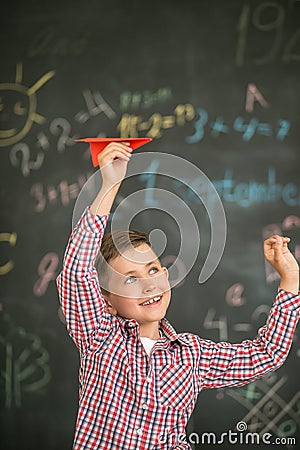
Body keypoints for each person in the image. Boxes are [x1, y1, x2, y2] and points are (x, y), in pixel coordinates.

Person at [56, 142, 300, 450]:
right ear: (105, 300)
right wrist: (111, 184)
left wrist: (290, 279)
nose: (149, 284)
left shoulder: (191, 356)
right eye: (129, 279)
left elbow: (266, 354)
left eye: (154, 270)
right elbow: (76, 272)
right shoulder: (98, 337)